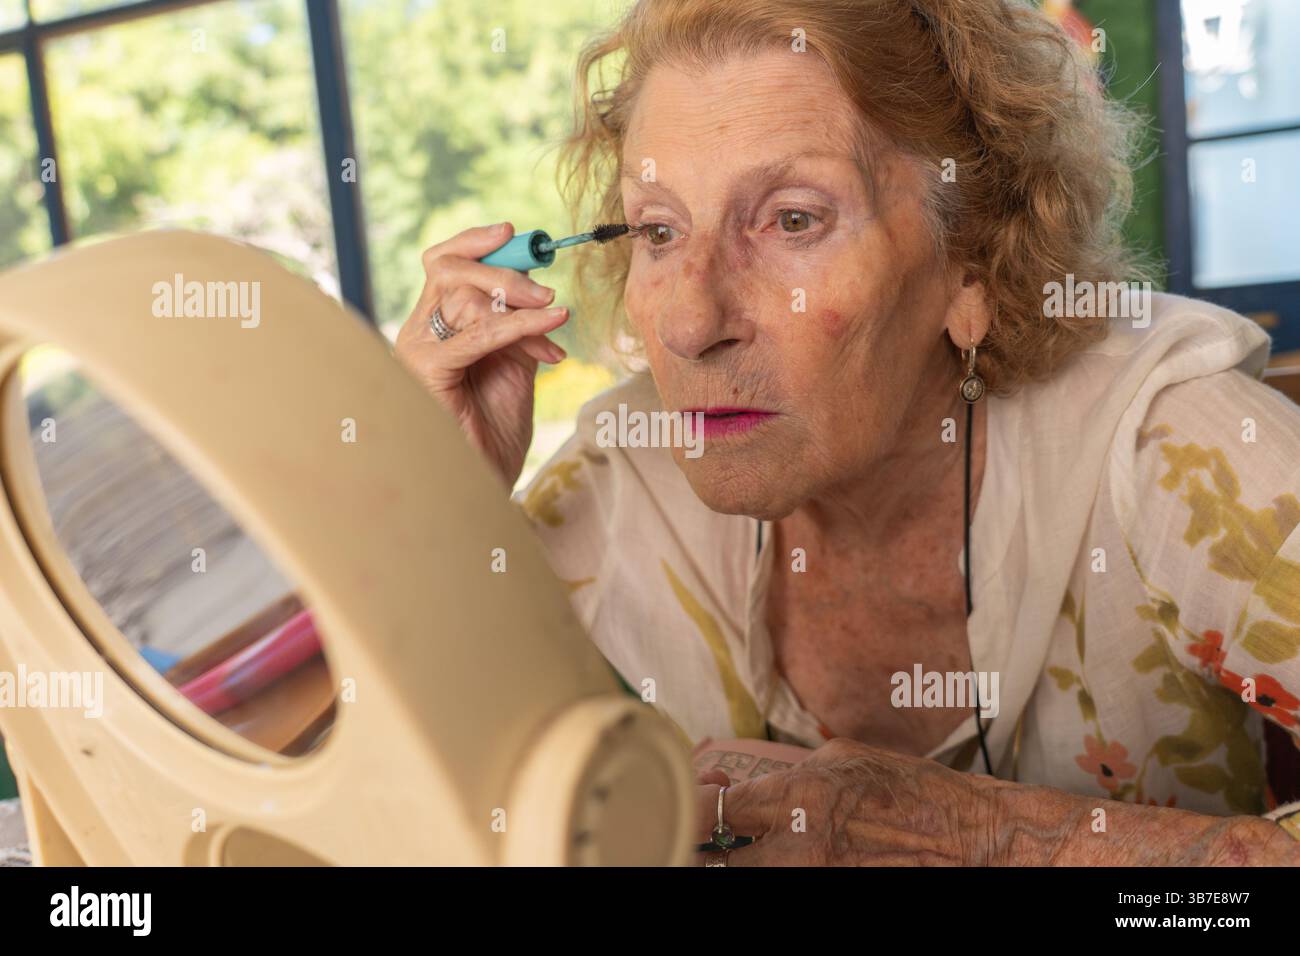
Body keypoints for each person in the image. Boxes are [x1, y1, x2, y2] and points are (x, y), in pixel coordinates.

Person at [395, 0, 1300, 864]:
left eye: (793, 220)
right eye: (659, 231)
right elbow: (429, 814)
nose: (687, 322)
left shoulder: (1172, 451)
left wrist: (1015, 844)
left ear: (973, 266)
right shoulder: (624, 477)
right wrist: (436, 511)